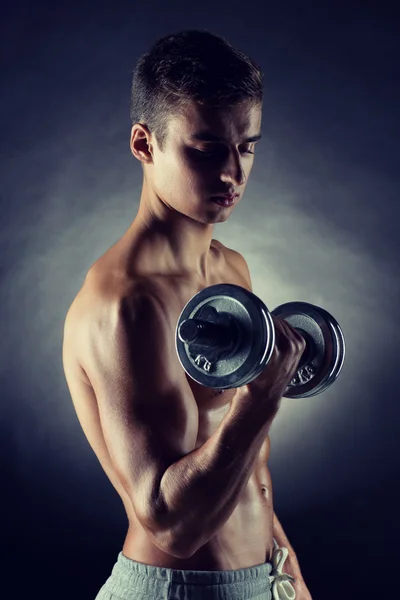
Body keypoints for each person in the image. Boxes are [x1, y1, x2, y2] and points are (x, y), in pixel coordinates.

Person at [62, 29, 313, 600]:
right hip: (176, 587)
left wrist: (289, 576)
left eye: (246, 146)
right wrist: (261, 396)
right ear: (144, 145)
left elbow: (247, 470)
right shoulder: (125, 304)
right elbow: (172, 524)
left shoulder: (231, 269)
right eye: (205, 150)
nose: (233, 173)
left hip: (261, 579)